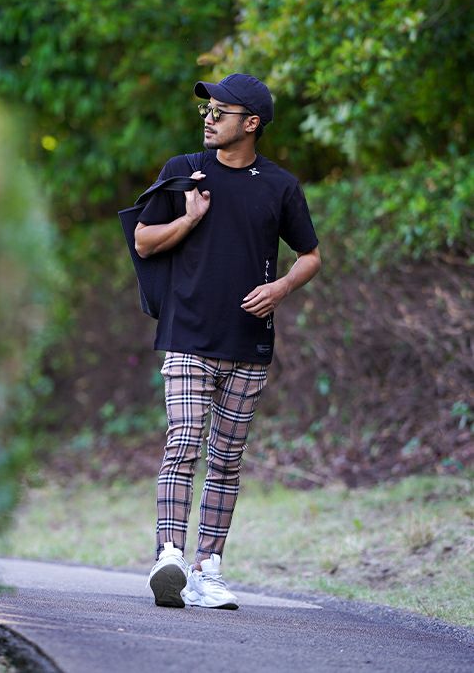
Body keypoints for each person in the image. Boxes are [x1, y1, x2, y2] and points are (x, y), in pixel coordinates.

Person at [134, 73, 321, 610]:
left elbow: (310, 255)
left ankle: (207, 570)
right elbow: (144, 241)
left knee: (227, 459)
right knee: (184, 441)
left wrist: (281, 287)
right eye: (207, 110)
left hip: (248, 344)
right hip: (187, 335)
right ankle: (169, 557)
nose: (209, 118)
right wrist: (189, 219)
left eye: (220, 111)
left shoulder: (279, 185)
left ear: (252, 123)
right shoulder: (183, 171)